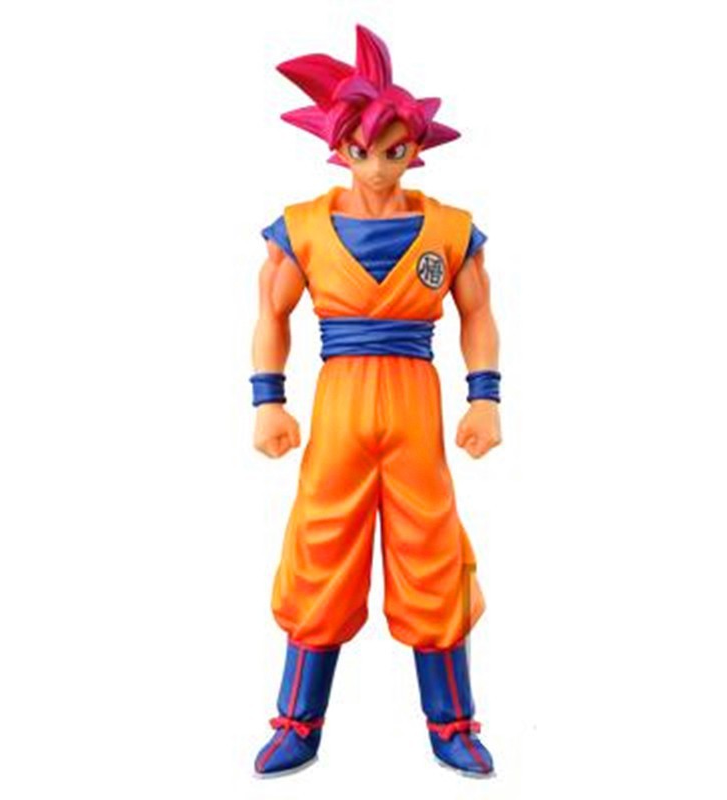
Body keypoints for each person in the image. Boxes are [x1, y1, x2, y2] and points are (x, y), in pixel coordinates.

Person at [250, 25, 501, 778]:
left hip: (416, 401)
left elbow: (478, 314)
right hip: (340, 401)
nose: (379, 168)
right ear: (339, 149)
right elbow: (271, 313)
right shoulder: (301, 228)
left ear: (415, 148)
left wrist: (484, 396)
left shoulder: (450, 230)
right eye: (362, 151)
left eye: (394, 151)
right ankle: (297, 721)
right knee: (321, 547)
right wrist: (268, 400)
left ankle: (452, 723)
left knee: (431, 549)